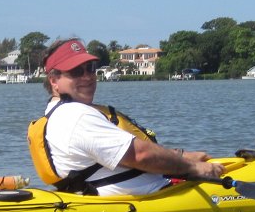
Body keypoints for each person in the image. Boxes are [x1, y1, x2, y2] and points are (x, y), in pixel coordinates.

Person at [28, 38, 224, 196]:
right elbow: (140, 155)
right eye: (76, 71)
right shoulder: (75, 116)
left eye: (90, 68)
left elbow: (118, 155)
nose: (87, 77)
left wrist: (180, 156)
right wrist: (193, 168)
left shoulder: (59, 114)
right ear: (54, 81)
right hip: (145, 211)